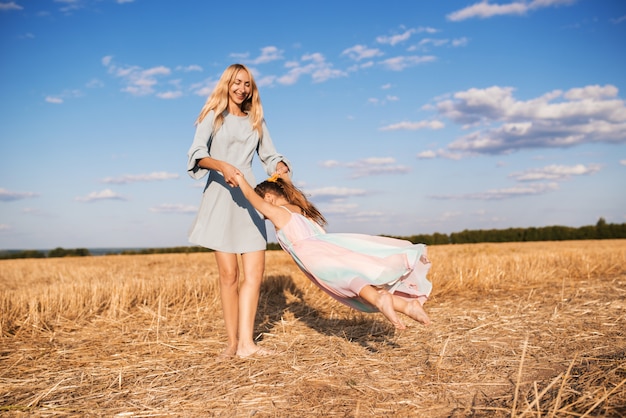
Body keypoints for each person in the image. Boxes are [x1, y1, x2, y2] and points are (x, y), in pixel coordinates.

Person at [233, 173, 433, 330]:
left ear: (269, 198)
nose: (262, 214)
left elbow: (253, 198)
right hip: (329, 245)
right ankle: (407, 306)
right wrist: (287, 180)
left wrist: (241, 180)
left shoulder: (278, 213)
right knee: (351, 279)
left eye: (262, 207)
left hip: (314, 254)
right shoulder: (298, 208)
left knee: (344, 281)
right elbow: (296, 195)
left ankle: (380, 299)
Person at [187, 64, 291, 359]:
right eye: (236, 83)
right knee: (229, 275)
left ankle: (247, 344)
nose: (242, 88)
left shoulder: (256, 120)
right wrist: (222, 166)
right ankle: (232, 343)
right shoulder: (213, 117)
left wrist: (279, 167)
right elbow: (197, 154)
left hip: (249, 198)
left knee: (254, 274)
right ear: (227, 84)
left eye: (247, 84)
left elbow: (269, 155)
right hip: (221, 196)